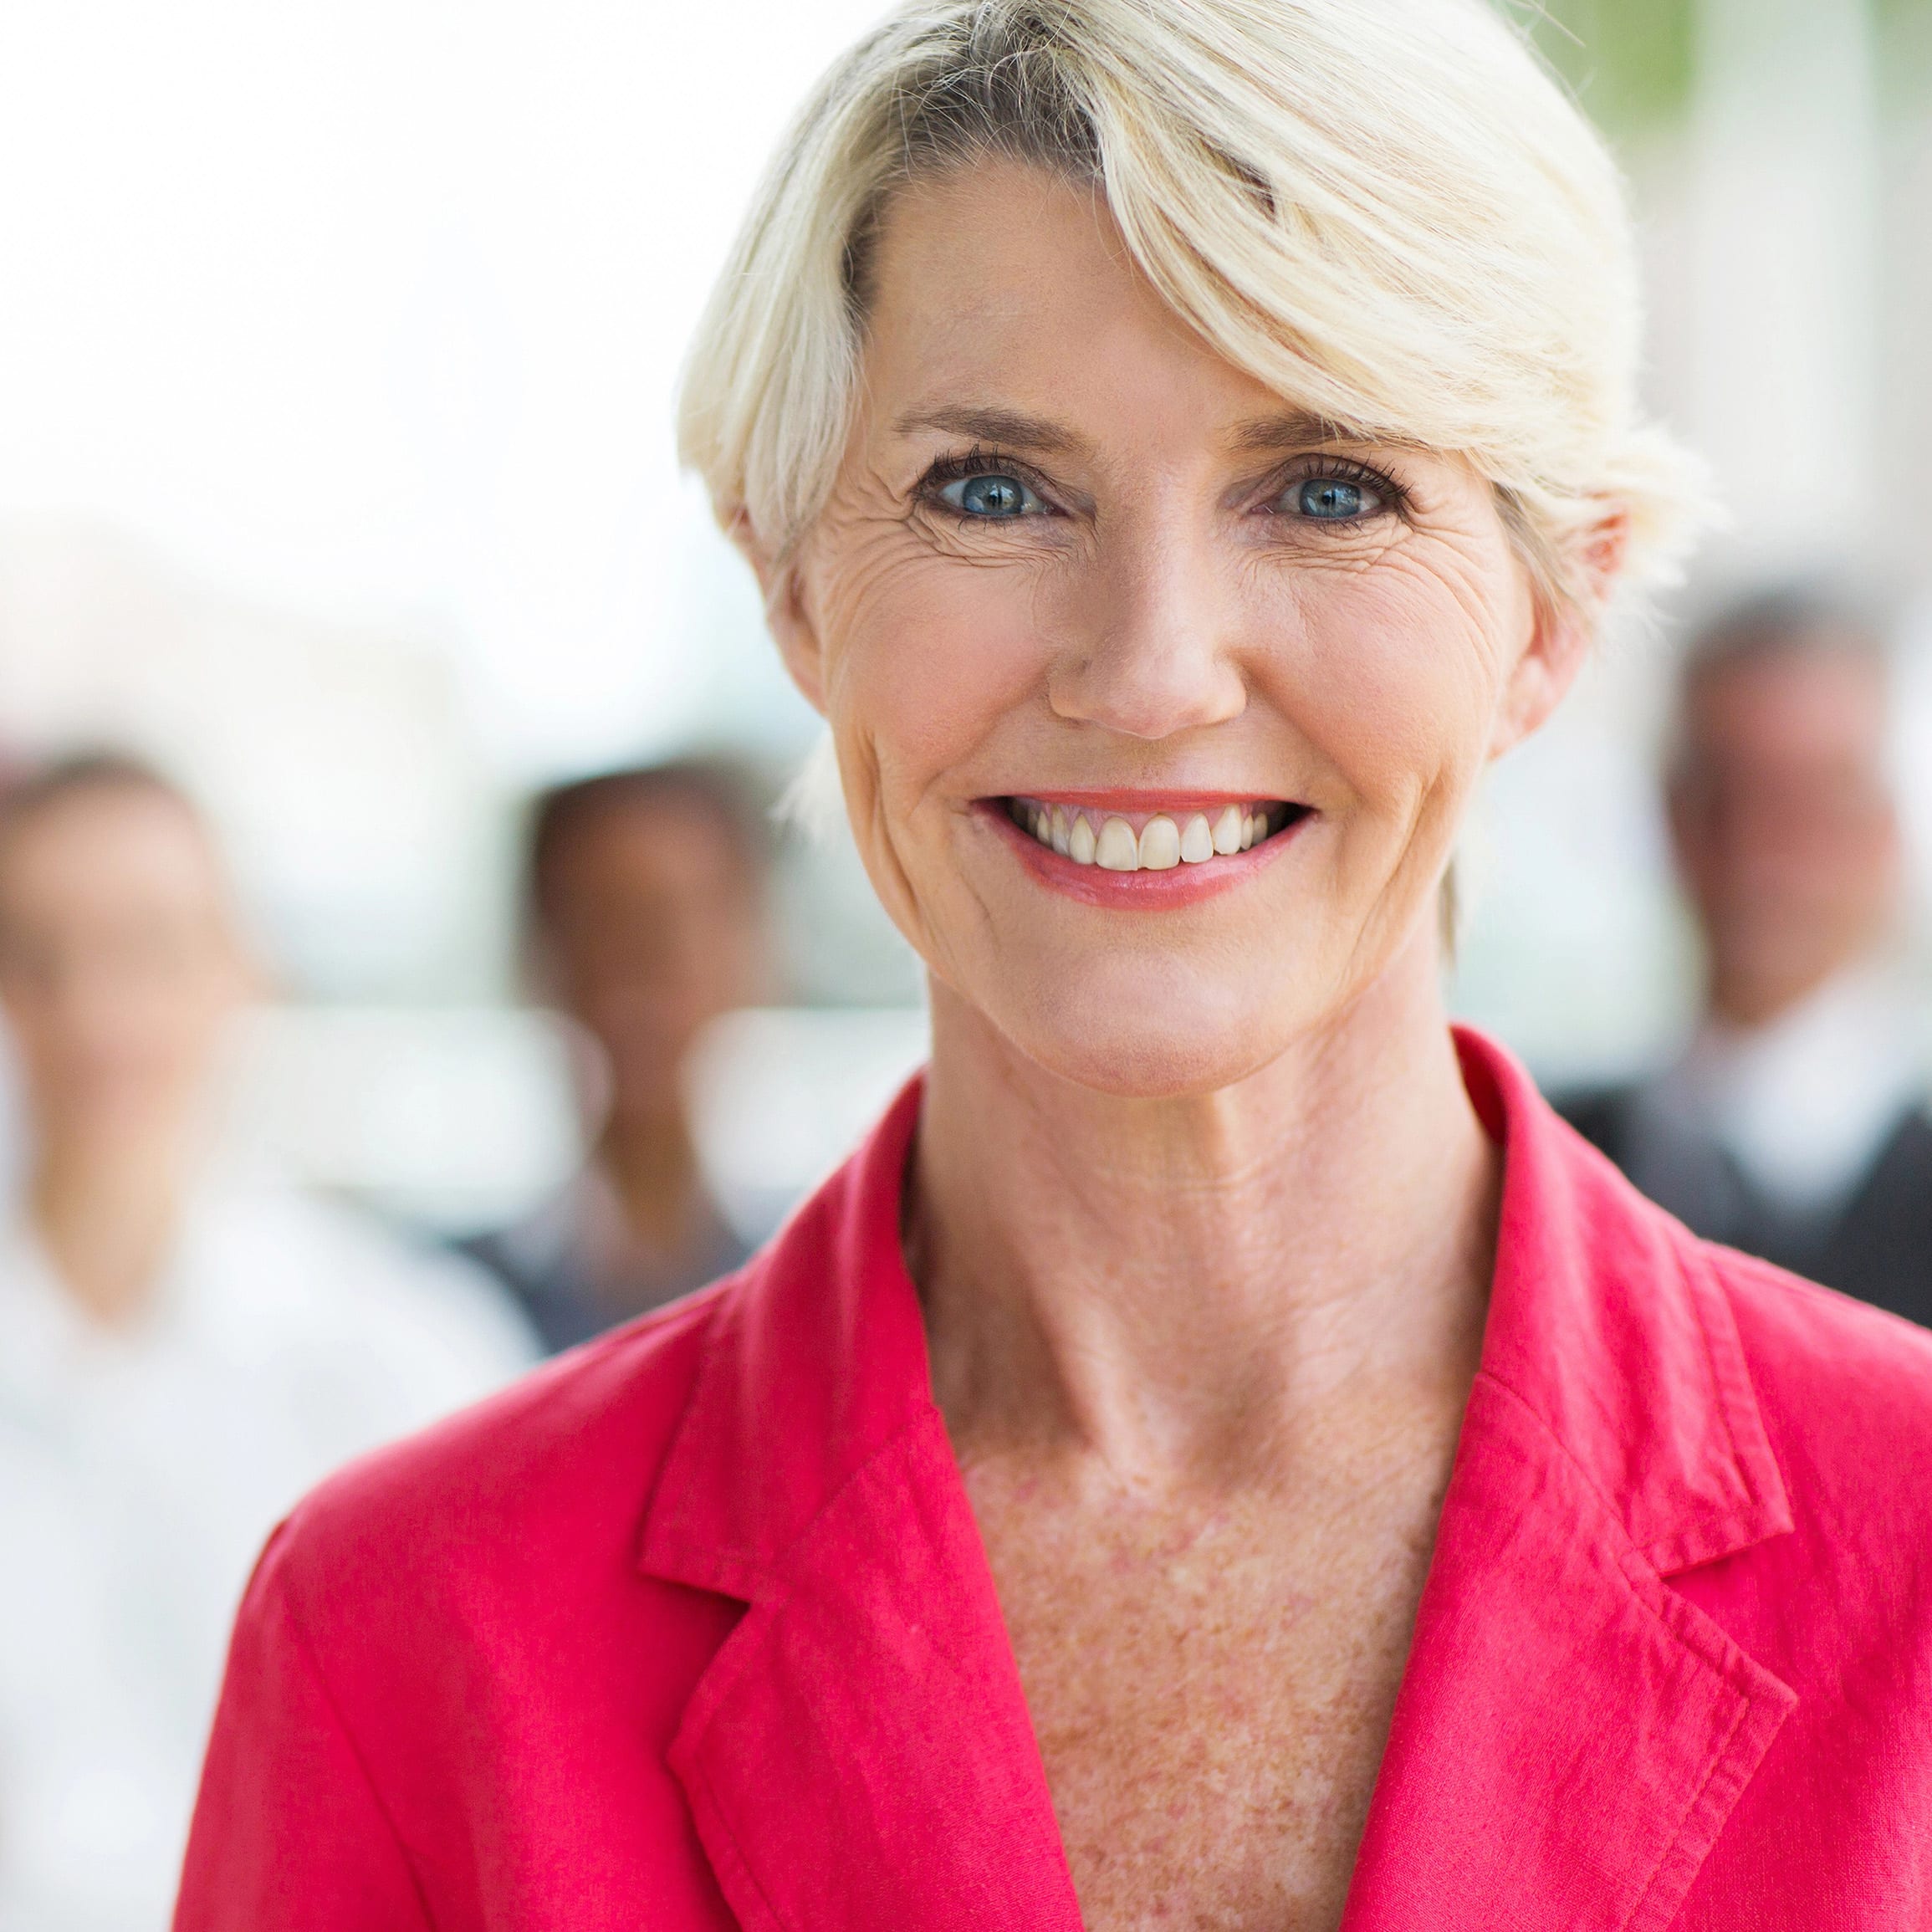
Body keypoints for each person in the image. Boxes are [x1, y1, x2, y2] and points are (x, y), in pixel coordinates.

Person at [177, 4, 1932, 1927]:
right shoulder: (410, 1642)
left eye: (1329, 485)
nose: (1154, 667)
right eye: (993, 491)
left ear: (1555, 603)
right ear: (788, 577)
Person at [0, 754, 536, 1932]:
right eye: (36, 956)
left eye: (146, 948)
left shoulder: (411, 1360)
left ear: (241, 971)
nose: (93, 1012)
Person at [1562, 590, 1932, 1324]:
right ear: (1672, 816)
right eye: (1726, 793)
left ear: (1885, 830)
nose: (1761, 849)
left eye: (1814, 800)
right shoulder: (1542, 1162)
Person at [462, 763, 769, 1351]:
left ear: (751, 951)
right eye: (604, 921)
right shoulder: (450, 1306)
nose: (646, 972)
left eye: (679, 920)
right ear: (541, 956)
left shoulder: (838, 1279)